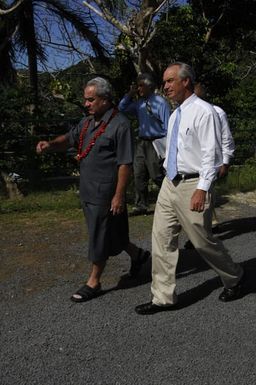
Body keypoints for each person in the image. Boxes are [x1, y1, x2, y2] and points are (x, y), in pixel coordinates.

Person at [135, 62, 245, 315]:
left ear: (186, 81)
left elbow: (210, 154)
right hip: (170, 183)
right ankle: (162, 297)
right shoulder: (175, 115)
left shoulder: (205, 112)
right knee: (161, 239)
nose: (165, 86)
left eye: (170, 81)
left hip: (194, 183)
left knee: (202, 240)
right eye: (164, 82)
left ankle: (235, 276)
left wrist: (202, 188)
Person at [36, 77, 150, 303]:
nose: (86, 104)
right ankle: (138, 255)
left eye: (91, 100)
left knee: (99, 235)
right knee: (112, 231)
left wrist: (119, 195)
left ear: (106, 100)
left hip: (106, 193)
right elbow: (69, 139)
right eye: (86, 100)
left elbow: (125, 163)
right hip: (88, 190)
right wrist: (50, 145)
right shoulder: (87, 122)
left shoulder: (120, 125)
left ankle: (94, 281)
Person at [184, 83, 235, 249]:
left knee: (204, 197)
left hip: (210, 164)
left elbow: (226, 138)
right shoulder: (185, 114)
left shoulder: (216, 112)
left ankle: (203, 236)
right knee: (200, 198)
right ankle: (210, 225)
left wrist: (225, 162)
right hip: (193, 165)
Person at [118, 73, 171, 215]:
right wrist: (130, 93)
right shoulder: (139, 103)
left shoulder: (161, 102)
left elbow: (168, 126)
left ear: (149, 86)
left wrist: (166, 146)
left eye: (141, 85)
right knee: (139, 173)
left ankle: (171, 200)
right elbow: (122, 107)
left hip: (156, 141)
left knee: (156, 175)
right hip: (142, 141)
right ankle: (141, 205)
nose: (138, 88)